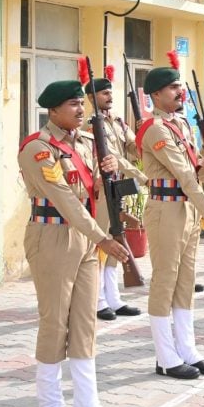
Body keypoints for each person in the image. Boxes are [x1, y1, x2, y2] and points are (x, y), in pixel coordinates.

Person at [17, 79, 130, 407]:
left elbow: (89, 193)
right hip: (52, 237)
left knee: (85, 323)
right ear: (52, 111)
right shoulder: (38, 149)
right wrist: (102, 237)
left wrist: (108, 173)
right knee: (55, 322)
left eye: (82, 104)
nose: (81, 110)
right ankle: (51, 405)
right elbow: (63, 198)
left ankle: (87, 406)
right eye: (72, 105)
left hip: (83, 239)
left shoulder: (83, 144)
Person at [136, 52, 204, 379]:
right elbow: (183, 175)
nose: (179, 93)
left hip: (187, 209)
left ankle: (188, 350)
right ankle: (165, 356)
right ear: (155, 95)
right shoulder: (154, 129)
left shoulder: (181, 124)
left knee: (185, 282)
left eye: (180, 88)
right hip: (166, 209)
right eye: (172, 89)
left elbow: (195, 172)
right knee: (165, 281)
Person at [83, 64, 146, 321]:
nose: (109, 96)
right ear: (91, 99)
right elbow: (114, 157)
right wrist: (142, 176)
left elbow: (132, 147)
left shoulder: (118, 122)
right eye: (103, 93)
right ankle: (97, 301)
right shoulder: (90, 127)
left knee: (117, 238)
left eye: (110, 92)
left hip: (118, 188)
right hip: (101, 190)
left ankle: (114, 298)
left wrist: (144, 133)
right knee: (101, 243)